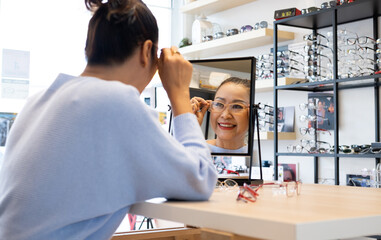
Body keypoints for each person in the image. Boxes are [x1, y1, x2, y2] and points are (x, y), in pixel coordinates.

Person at [0, 1, 217, 239]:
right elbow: (201, 179)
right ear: (147, 51)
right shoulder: (115, 100)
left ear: (89, 48)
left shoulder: (38, 101)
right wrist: (179, 93)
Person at [191, 77, 250, 154]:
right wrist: (189, 128)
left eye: (237, 106)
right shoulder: (192, 149)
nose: (225, 115)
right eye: (219, 104)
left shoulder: (260, 154)